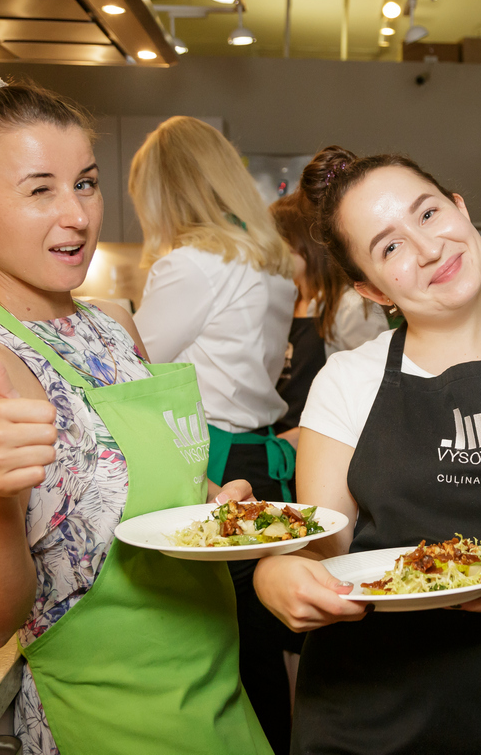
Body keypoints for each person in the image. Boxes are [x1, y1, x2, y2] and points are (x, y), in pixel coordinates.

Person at [0, 62, 270, 755]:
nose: (76, 215)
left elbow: (138, 497)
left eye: (85, 183)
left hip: (218, 695)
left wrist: (222, 508)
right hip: (110, 718)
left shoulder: (113, 327)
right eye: (39, 190)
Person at [253, 146, 481, 754]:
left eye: (427, 214)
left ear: (460, 208)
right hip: (360, 713)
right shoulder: (346, 380)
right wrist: (275, 574)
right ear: (371, 289)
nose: (427, 249)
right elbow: (323, 549)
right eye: (389, 247)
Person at [128, 116, 299, 754]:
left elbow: (131, 371)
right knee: (260, 643)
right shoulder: (268, 258)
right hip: (262, 455)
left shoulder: (192, 263)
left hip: (214, 464)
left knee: (224, 648)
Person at [269, 188, 388, 446]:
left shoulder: (350, 307)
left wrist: (305, 434)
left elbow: (377, 397)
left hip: (325, 444)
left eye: (277, 245)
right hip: (280, 444)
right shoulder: (286, 303)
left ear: (303, 245)